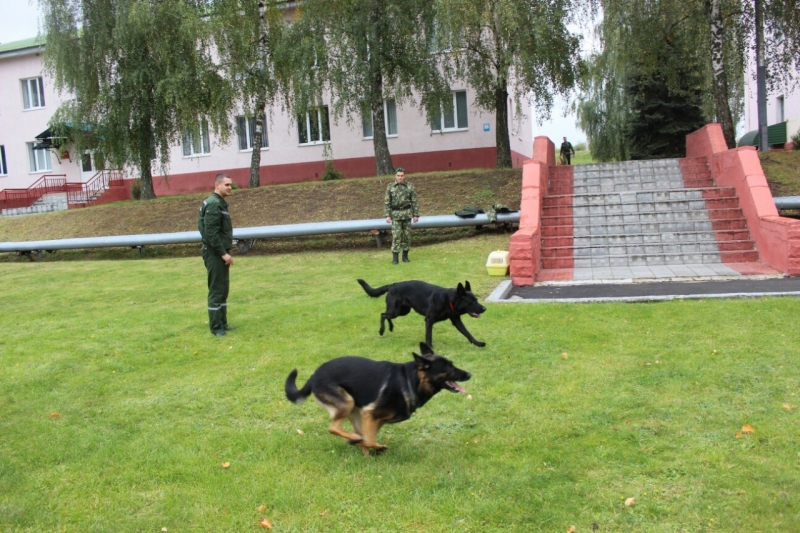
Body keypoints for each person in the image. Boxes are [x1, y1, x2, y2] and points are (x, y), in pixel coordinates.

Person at [198, 174, 235, 336]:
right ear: (217, 185)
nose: (230, 188)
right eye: (226, 185)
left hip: (218, 253)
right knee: (216, 290)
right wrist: (223, 253)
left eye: (230, 185)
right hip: (214, 253)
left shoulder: (218, 203)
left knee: (223, 289)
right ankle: (216, 328)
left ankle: (223, 323)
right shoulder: (214, 205)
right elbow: (211, 233)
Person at [384, 167, 419, 264]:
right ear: (395, 176)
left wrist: (416, 215)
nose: (400, 177)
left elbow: (414, 201)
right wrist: (387, 215)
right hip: (396, 215)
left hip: (407, 214)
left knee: (407, 236)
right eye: (398, 176)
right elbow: (387, 202)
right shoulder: (390, 187)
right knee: (396, 236)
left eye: (402, 176)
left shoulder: (410, 186)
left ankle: (405, 256)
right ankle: (395, 258)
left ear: (405, 176)